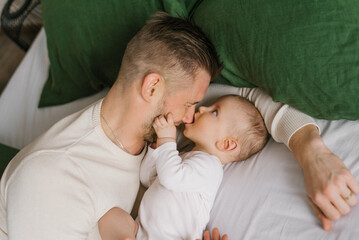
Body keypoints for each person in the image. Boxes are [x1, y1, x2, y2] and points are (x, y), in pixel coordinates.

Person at [0, 11, 357, 239]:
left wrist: (310, 149)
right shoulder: (53, 181)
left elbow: (251, 104)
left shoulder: (167, 122)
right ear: (152, 86)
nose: (193, 115)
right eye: (190, 105)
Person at [98, 95, 269, 240]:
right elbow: (148, 178)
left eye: (214, 111)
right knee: (111, 216)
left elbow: (171, 177)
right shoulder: (182, 157)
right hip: (141, 232)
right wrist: (157, 149)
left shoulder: (210, 168)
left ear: (227, 144)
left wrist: (167, 141)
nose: (202, 109)